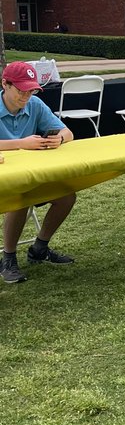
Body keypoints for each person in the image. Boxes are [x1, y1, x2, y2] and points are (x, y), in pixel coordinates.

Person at [0, 62, 76, 283]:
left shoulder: (35, 104)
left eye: (31, 90)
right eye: (21, 90)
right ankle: (9, 258)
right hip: (9, 181)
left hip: (30, 175)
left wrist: (59, 138)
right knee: (21, 198)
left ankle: (39, 248)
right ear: (5, 84)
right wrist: (22, 144)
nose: (26, 95)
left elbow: (68, 132)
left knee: (67, 197)